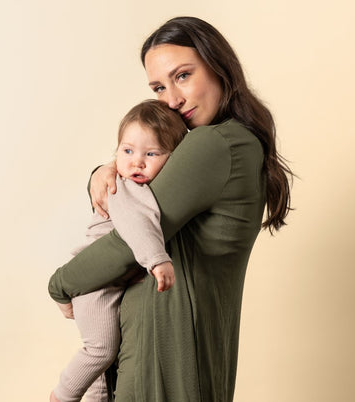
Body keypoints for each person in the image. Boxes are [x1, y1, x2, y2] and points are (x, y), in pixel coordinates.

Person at [49, 16, 293, 401]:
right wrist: (106, 170)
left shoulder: (214, 144)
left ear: (218, 65)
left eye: (182, 76)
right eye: (159, 87)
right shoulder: (234, 143)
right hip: (178, 346)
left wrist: (61, 284)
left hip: (162, 349)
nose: (172, 100)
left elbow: (130, 238)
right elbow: (141, 186)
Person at [50, 100, 189, 402]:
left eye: (151, 154)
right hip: (95, 282)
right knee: (100, 349)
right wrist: (157, 260)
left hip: (107, 282)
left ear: (173, 158)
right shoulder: (124, 187)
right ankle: (63, 395)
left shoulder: (143, 187)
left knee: (104, 364)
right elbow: (135, 225)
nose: (137, 162)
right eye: (127, 151)